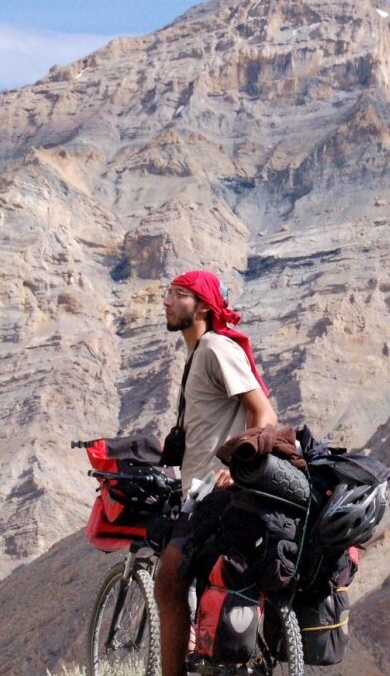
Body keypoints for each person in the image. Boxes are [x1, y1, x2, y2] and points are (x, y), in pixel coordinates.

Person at [154, 269, 277, 676]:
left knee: (168, 582)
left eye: (178, 294)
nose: (167, 301)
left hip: (215, 491)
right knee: (202, 589)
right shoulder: (198, 353)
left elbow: (263, 412)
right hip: (200, 488)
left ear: (204, 306)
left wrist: (234, 468)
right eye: (168, 293)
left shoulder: (214, 347)